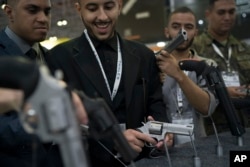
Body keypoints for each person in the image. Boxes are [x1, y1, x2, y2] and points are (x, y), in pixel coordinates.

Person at [45, 0, 173, 166]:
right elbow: (59, 122)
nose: (102, 16)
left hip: (140, 160)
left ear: (119, 6)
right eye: (92, 8)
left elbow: (155, 102)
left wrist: (162, 132)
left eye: (109, 7)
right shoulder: (58, 58)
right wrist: (111, 140)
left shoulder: (144, 55)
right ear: (79, 9)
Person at [0, 0, 87, 166]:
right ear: (10, 13)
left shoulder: (52, 58)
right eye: (32, 10)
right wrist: (42, 119)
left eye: (47, 12)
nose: (43, 18)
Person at [156, 7, 218, 146]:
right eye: (176, 26)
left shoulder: (207, 65)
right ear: (167, 31)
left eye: (188, 27)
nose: (181, 32)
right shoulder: (153, 65)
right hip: (165, 146)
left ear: (195, 32)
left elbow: (207, 108)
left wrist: (178, 74)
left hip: (201, 145)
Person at [192, 0, 250, 134]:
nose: (227, 17)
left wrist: (246, 91)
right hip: (213, 129)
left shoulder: (244, 48)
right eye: (221, 12)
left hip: (246, 124)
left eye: (231, 12)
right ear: (208, 14)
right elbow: (189, 89)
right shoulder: (195, 48)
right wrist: (221, 93)